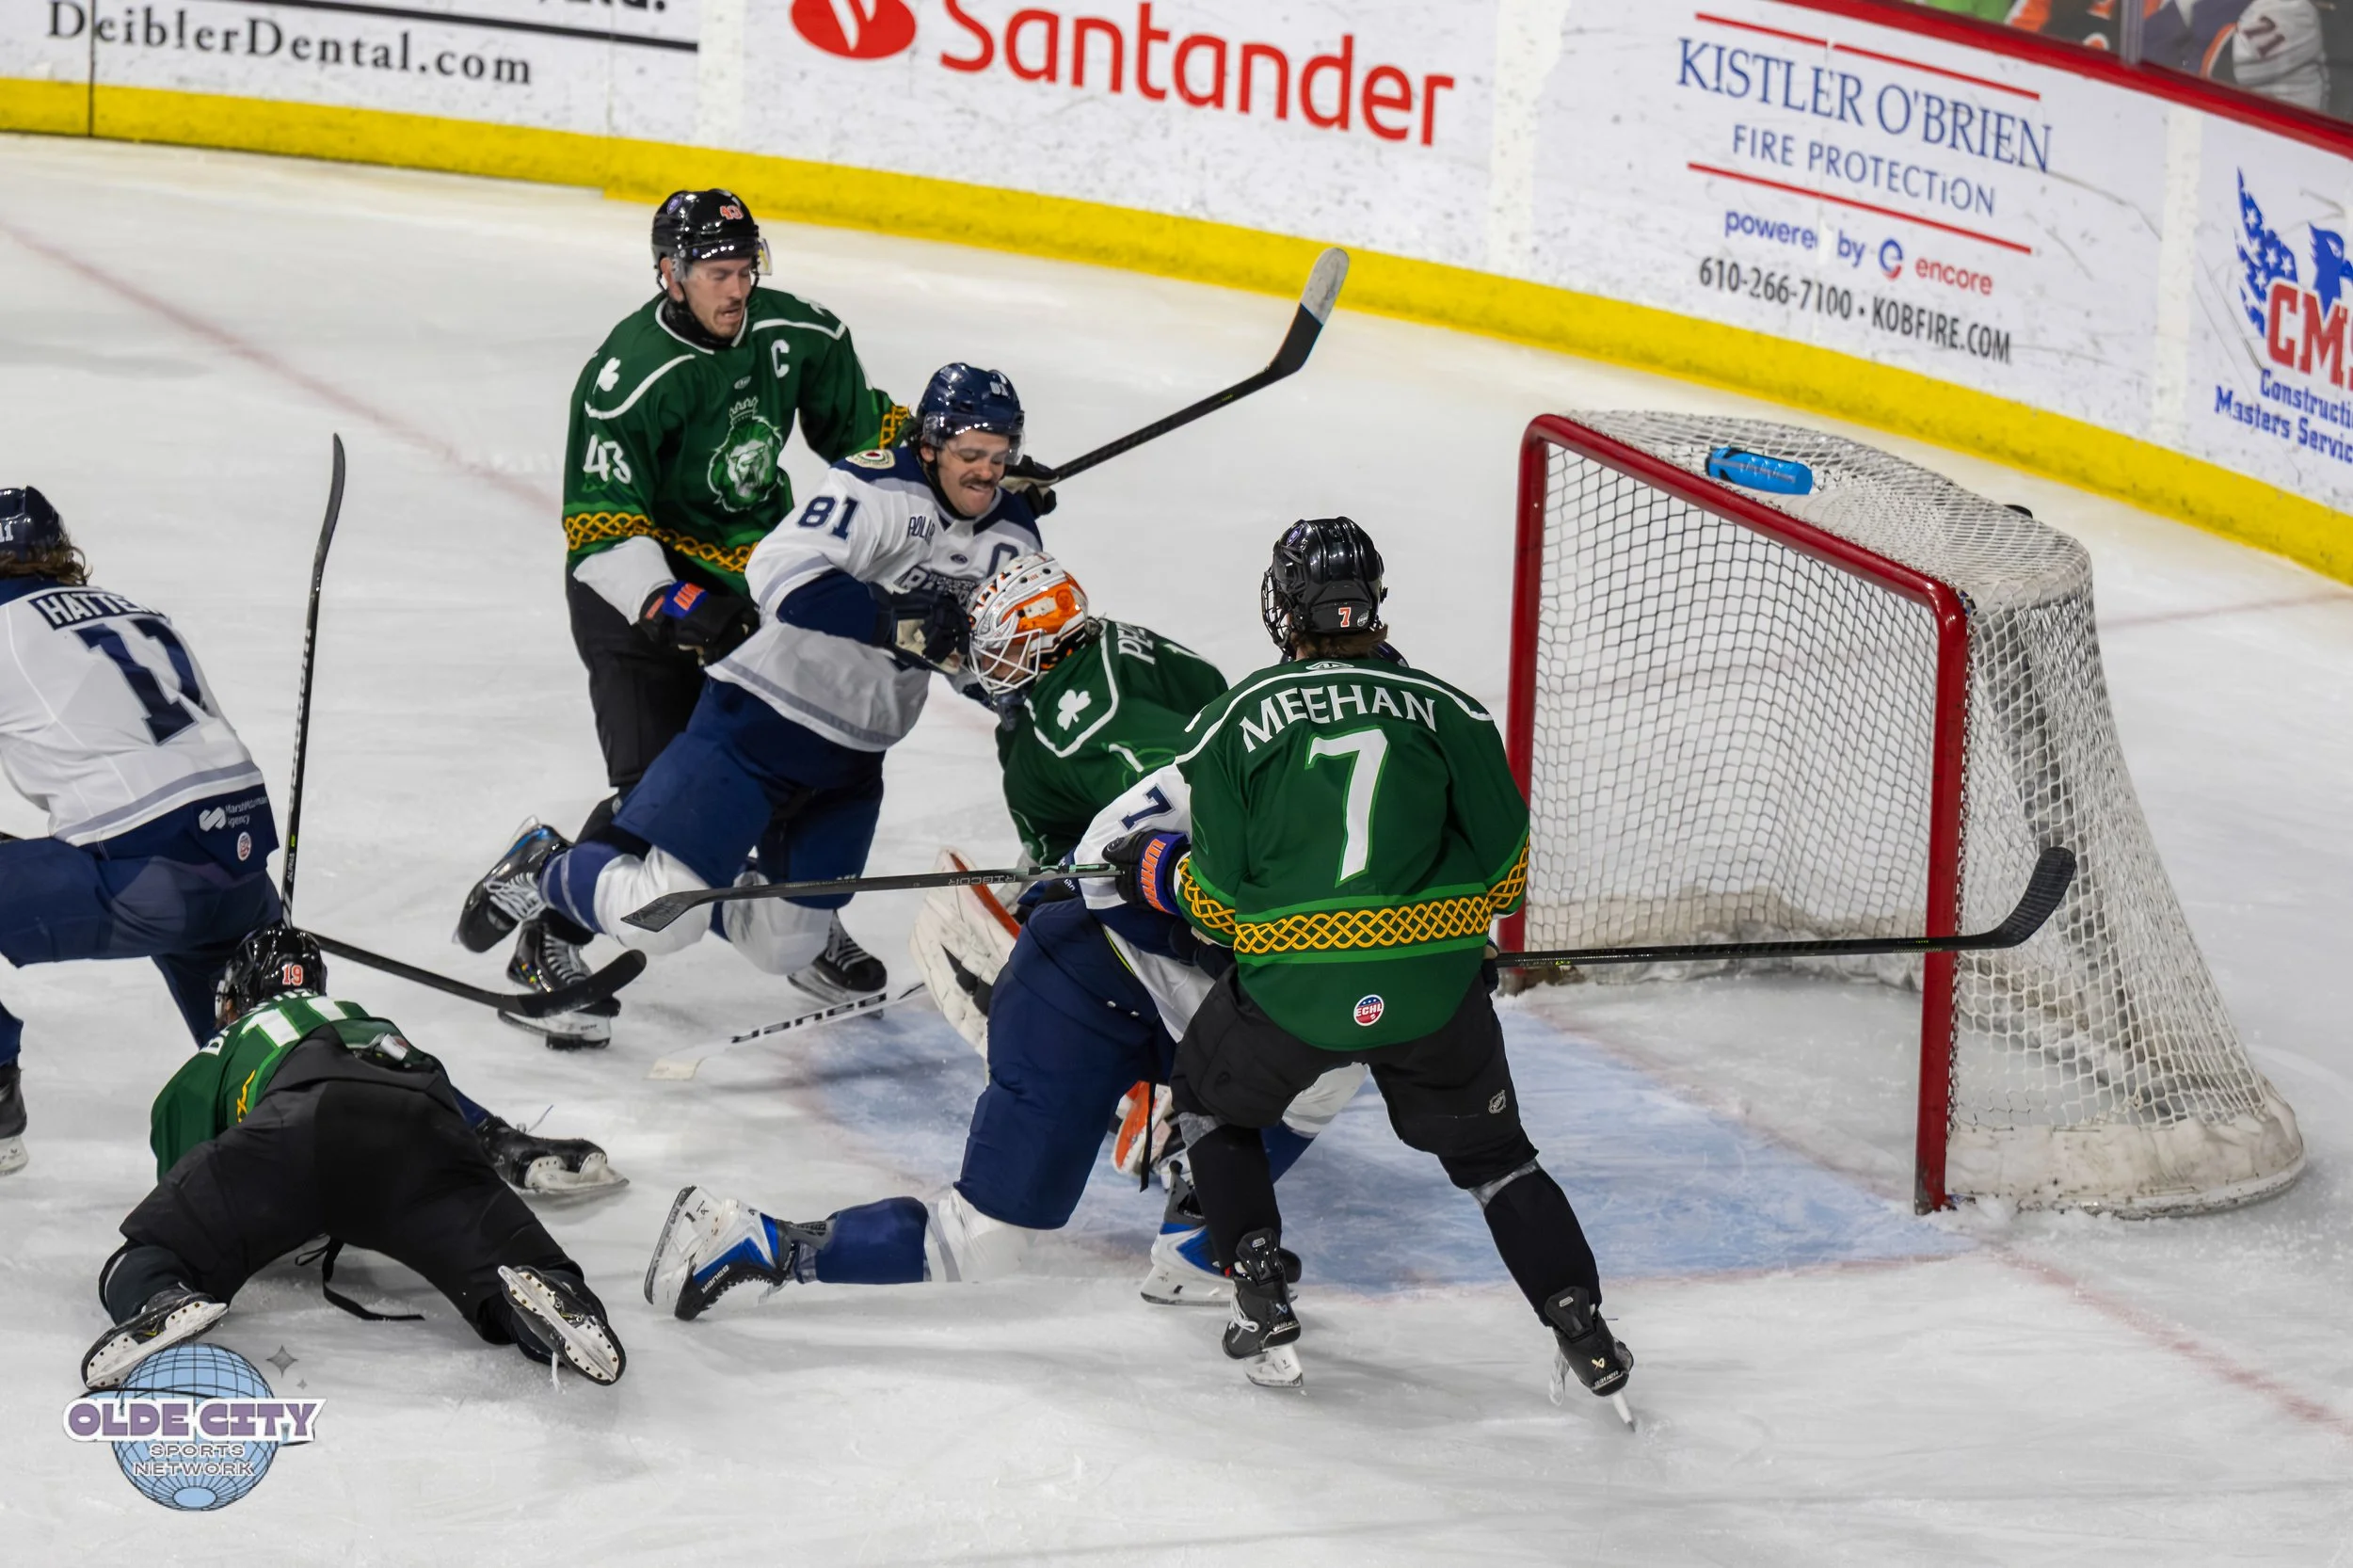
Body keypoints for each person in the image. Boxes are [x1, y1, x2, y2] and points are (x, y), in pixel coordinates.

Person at [639, 553, 1364, 1317]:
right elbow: (1177, 808)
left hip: (1136, 959)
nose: (984, 666)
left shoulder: (1045, 742)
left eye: (999, 646)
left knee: (1316, 1057)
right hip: (1083, 991)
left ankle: (1195, 1228)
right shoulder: (1135, 658)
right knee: (979, 1239)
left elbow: (1146, 826)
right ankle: (745, 1238)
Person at [1095, 517, 1630, 1405]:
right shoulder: (1452, 710)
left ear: (1288, 606)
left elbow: (1224, 912)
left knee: (1206, 1101)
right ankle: (1582, 1324)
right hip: (1435, 997)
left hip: (1296, 998)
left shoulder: (1235, 718)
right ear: (1371, 602)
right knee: (1500, 1161)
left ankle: (1258, 1286)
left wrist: (1157, 870)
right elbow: (1509, 882)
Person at [459, 364, 1048, 1008]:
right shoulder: (878, 489)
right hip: (755, 726)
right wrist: (892, 616)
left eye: (998, 456)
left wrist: (1008, 685)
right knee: (657, 923)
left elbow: (988, 649)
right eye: (970, 455)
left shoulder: (1012, 536)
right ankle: (544, 867)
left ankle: (705, 889)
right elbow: (778, 574)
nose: (986, 472)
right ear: (930, 445)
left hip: (852, 761)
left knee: (785, 945)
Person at [507, 188, 910, 1041]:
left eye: (745, 270)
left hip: (754, 587)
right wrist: (675, 603)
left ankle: (795, 919)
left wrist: (955, 468)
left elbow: (865, 435)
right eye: (718, 273)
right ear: (670, 273)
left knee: (793, 745)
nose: (736, 290)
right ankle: (550, 921)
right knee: (663, 791)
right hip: (638, 602)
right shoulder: (629, 375)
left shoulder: (801, 333)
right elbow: (603, 528)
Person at [82, 927, 626, 1390]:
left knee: (152, 1251)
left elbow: (181, 1155)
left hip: (306, 1125)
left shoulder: (233, 1039)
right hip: (424, 1124)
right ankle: (552, 1303)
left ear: (239, 996)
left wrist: (202, 1229)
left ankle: (156, 1298)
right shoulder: (359, 1017)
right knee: (510, 1266)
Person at [0, 486, 281, 1176]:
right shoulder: (138, 612)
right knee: (285, 1051)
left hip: (138, 878)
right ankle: (470, 1134)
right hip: (240, 870)